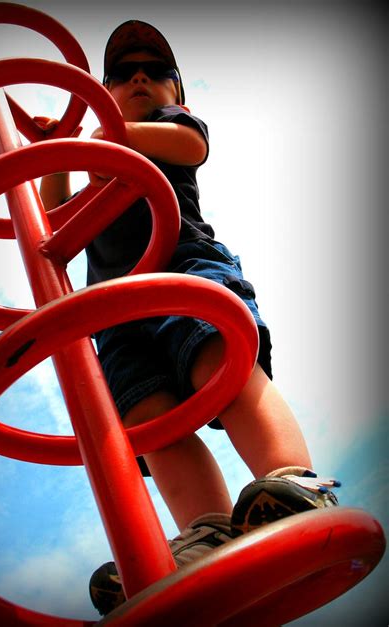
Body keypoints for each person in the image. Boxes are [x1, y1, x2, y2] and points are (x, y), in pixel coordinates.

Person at [39, 20, 340, 616]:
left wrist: (111, 130)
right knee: (152, 423)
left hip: (183, 267)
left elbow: (191, 148)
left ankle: (295, 480)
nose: (140, 78)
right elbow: (57, 222)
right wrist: (59, 154)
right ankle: (207, 533)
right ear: (107, 88)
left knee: (219, 365)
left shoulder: (166, 127)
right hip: (116, 311)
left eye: (155, 71)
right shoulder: (101, 152)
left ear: (179, 93)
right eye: (123, 75)